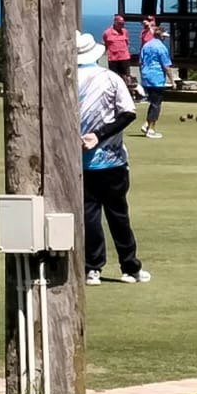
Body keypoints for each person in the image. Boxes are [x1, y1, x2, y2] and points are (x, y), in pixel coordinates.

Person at [76, 30, 150, 286]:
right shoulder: (110, 77)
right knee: (118, 215)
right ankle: (130, 267)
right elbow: (129, 113)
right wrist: (99, 135)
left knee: (90, 216)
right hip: (113, 160)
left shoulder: (66, 79)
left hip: (78, 161)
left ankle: (92, 268)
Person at [139, 26, 174, 137]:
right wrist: (172, 81)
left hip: (146, 77)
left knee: (153, 102)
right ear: (161, 36)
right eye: (164, 36)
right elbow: (166, 66)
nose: (165, 38)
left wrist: (142, 76)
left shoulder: (146, 45)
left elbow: (141, 62)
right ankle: (151, 129)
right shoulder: (161, 48)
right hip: (157, 78)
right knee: (156, 104)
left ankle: (146, 124)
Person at [103, 14, 133, 96]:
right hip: (113, 58)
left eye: (123, 23)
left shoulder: (125, 32)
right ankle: (115, 93)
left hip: (124, 57)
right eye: (120, 23)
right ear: (115, 22)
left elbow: (127, 43)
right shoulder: (107, 33)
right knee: (114, 76)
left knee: (126, 76)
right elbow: (105, 44)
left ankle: (128, 92)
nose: (122, 25)